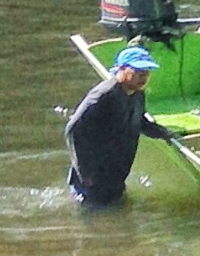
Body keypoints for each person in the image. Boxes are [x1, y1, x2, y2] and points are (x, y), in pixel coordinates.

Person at [65, 45, 175, 206]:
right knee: (97, 219)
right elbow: (73, 130)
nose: (144, 77)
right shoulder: (103, 96)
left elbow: (140, 122)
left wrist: (165, 133)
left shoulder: (137, 94)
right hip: (92, 178)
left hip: (116, 172)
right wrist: (85, 171)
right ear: (122, 69)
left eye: (147, 72)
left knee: (120, 213)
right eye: (139, 72)